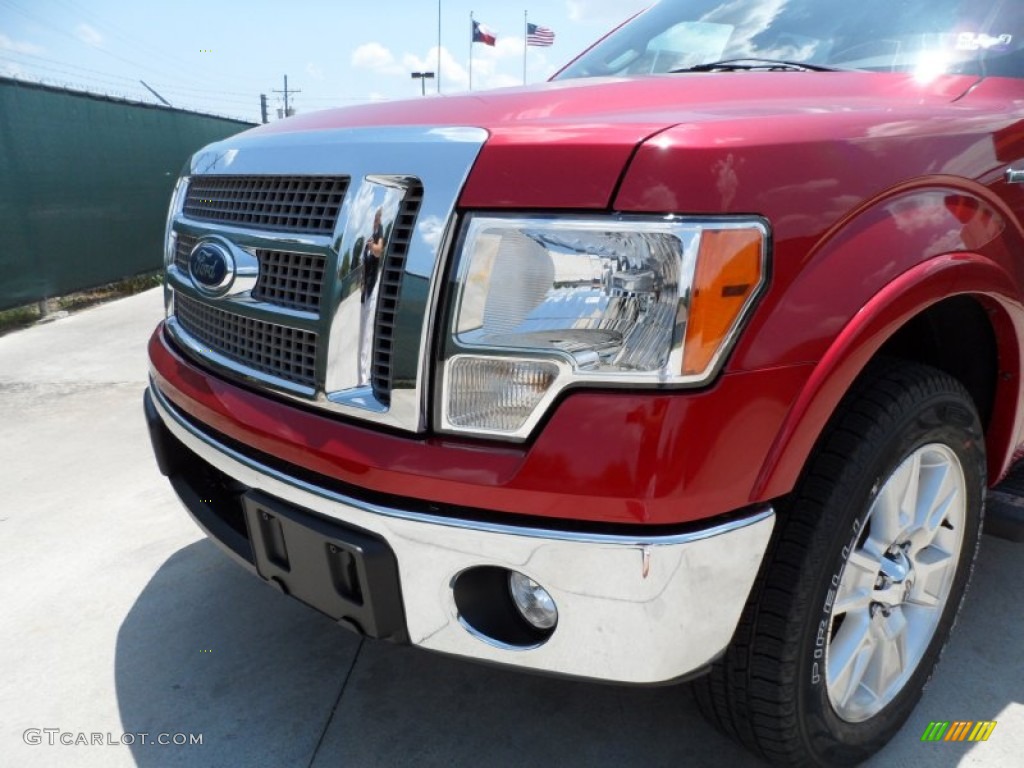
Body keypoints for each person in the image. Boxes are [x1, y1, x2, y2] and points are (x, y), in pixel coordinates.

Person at [358, 208, 386, 385]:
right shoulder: (370, 237)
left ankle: (364, 378)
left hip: (374, 288)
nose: (375, 221)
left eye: (377, 218)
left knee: (368, 334)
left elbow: (378, 251)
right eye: (375, 218)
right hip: (365, 290)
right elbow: (364, 265)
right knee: (362, 332)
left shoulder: (378, 235)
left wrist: (371, 246)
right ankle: (360, 374)